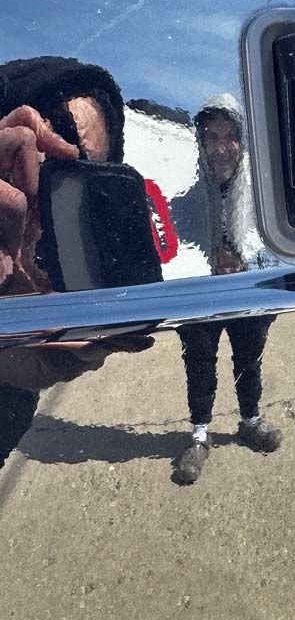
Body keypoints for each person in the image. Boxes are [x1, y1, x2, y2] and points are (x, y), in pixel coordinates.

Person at [0, 56, 153, 461]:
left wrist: (13, 372)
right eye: (46, 167)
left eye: (84, 186)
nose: (50, 215)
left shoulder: (16, 387)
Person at [172, 93, 280, 484]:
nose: (221, 147)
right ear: (200, 142)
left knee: (248, 359)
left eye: (230, 136)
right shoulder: (185, 196)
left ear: (242, 141)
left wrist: (248, 260)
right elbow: (175, 251)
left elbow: (278, 248)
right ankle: (200, 434)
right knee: (199, 362)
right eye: (212, 137)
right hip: (201, 297)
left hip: (248, 293)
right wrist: (205, 258)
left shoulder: (262, 197)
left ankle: (249, 419)